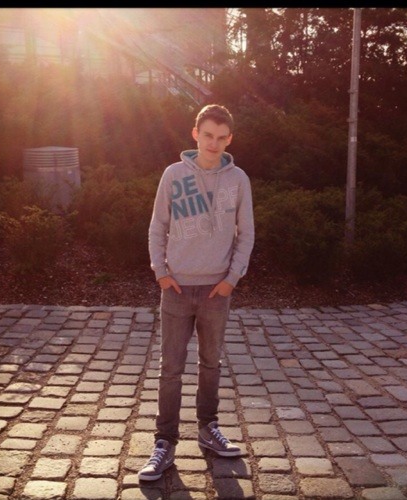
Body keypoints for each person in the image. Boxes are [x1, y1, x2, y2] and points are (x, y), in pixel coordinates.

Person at [139, 104, 255, 481]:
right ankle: (164, 442)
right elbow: (157, 226)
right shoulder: (174, 175)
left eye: (221, 138)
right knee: (170, 369)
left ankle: (208, 428)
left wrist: (231, 279)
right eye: (208, 135)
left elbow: (247, 233)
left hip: (216, 292)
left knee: (211, 364)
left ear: (229, 139)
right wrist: (161, 273)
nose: (213, 143)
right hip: (176, 288)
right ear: (196, 134)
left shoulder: (238, 179)